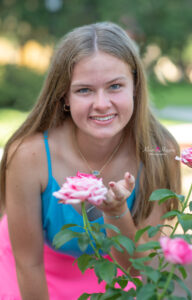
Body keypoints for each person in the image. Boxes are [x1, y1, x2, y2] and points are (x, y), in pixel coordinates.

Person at [0, 22, 181, 300]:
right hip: (32, 277)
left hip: (112, 277)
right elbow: (28, 264)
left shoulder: (159, 153)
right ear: (64, 96)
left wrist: (116, 211)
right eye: (84, 90)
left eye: (115, 86)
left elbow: (140, 270)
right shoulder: (29, 155)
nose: (101, 103)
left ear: (135, 86)